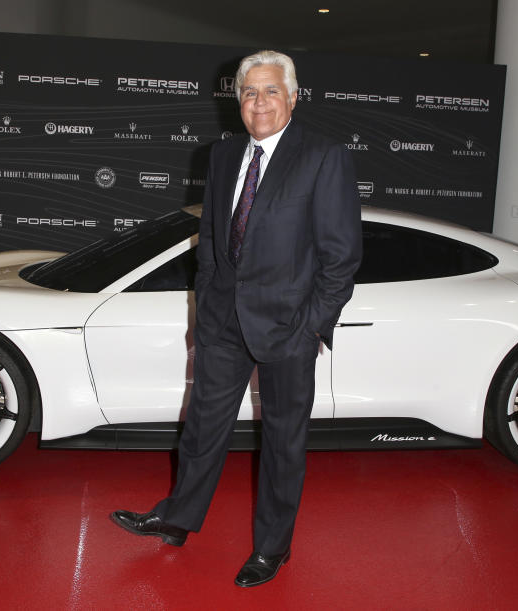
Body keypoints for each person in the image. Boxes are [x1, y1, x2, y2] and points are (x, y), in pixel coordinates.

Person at [111, 50, 362, 588]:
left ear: (293, 97)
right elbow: (211, 243)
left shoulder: (324, 157)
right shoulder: (222, 156)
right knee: (201, 426)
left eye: (271, 91)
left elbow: (342, 259)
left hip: (289, 328)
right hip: (224, 321)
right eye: (249, 93)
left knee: (282, 443)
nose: (259, 102)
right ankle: (177, 517)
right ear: (238, 102)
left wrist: (312, 326)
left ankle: (273, 548)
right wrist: (205, 307)